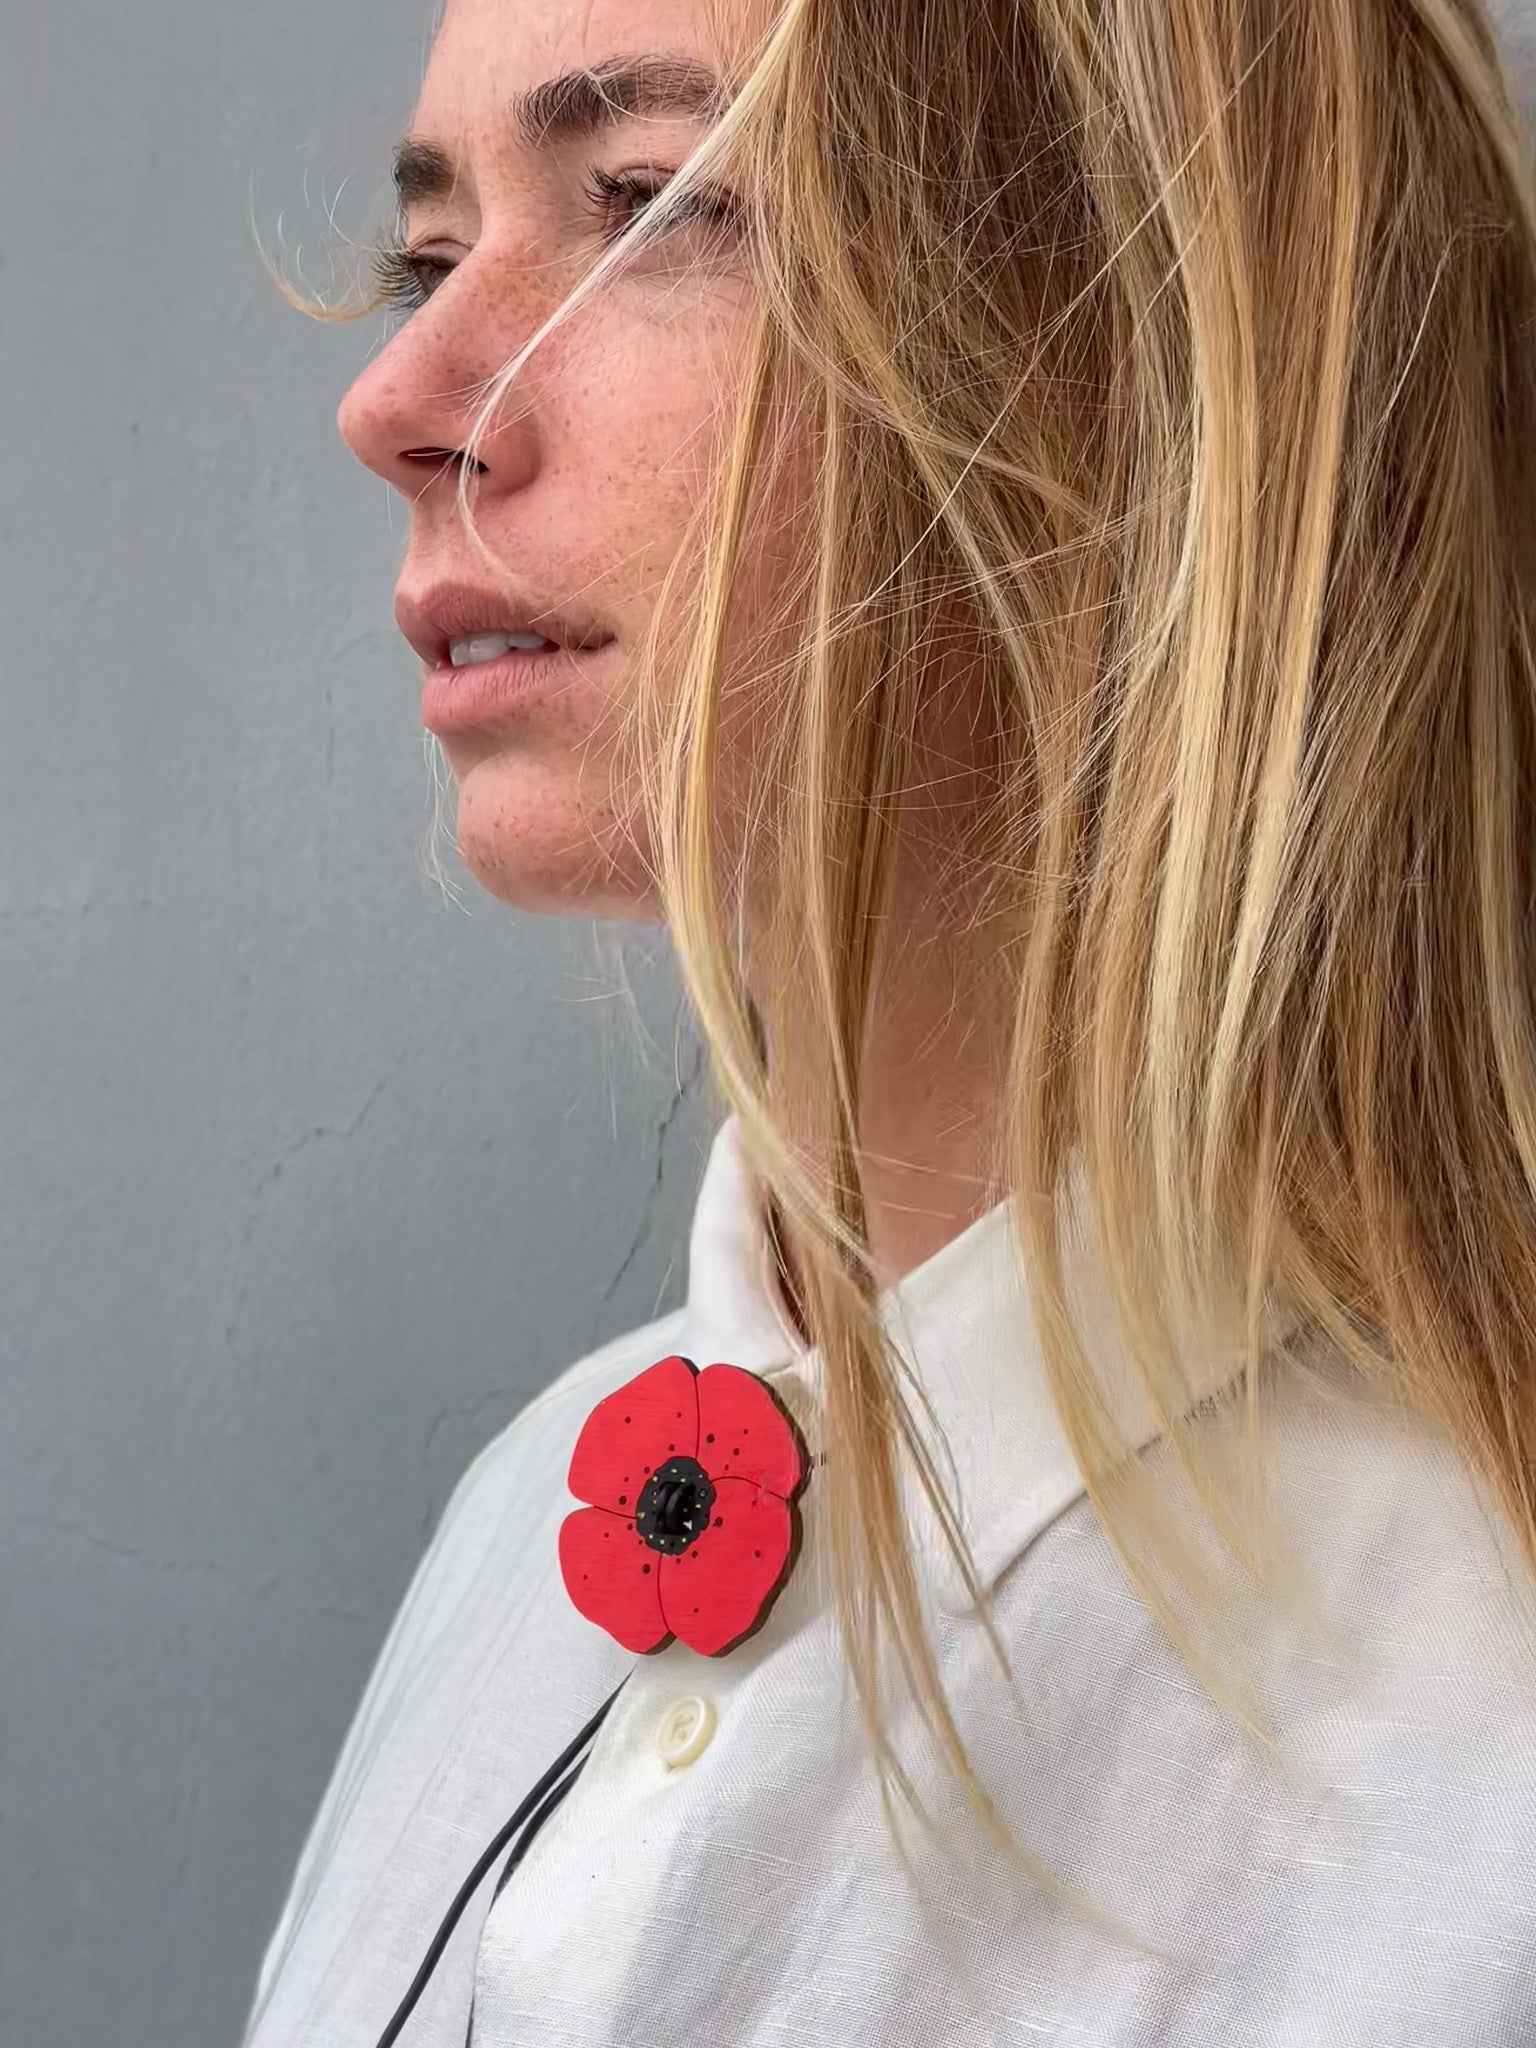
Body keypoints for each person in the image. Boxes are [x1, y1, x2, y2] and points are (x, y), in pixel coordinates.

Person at [243, 0, 1536, 2038]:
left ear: (1147, 337)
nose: (397, 399)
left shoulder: (1475, 1744)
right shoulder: (527, 1518)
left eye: (649, 202)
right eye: (430, 255)